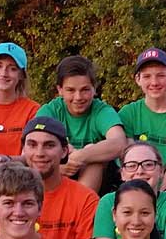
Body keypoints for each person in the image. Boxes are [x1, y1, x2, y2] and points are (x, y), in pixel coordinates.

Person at [37, 55, 129, 193]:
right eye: (71, 90)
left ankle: (80, 209)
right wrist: (57, 167)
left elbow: (119, 142)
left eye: (85, 90)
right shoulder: (50, 110)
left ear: (94, 89)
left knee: (94, 154)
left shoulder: (101, 111)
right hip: (57, 176)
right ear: (60, 90)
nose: (78, 97)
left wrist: (80, 156)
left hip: (98, 181)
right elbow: (31, 149)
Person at [20, 116, 101, 239]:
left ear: (64, 151)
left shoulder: (85, 199)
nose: (39, 153)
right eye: (32, 145)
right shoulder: (9, 197)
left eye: (49, 145)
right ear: (23, 150)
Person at [91, 141, 166, 239]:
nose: (140, 171)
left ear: (161, 171)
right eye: (131, 166)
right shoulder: (108, 202)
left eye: (148, 164)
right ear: (122, 173)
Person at [117, 47, 166, 192]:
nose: (154, 82)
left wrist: (159, 191)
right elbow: (128, 157)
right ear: (138, 79)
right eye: (147, 76)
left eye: (160, 75)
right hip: (134, 184)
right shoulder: (128, 113)